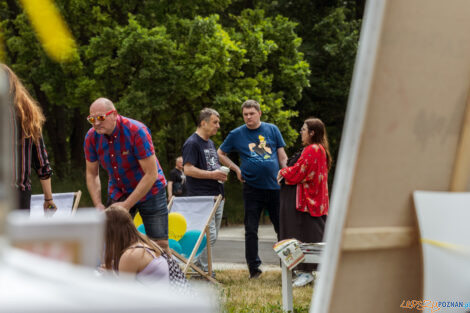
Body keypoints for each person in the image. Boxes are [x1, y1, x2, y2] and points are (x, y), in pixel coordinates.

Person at [84, 98, 169, 251]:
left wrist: (127, 205)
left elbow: (151, 173)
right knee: (114, 241)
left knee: (159, 244)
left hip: (150, 189)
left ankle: (164, 273)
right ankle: (121, 273)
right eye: (92, 119)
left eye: (101, 117)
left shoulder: (136, 131)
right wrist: (97, 204)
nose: (96, 123)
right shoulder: (91, 137)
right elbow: (92, 174)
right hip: (119, 190)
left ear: (114, 114)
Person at [217, 99, 287, 278]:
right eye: (245, 114)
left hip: (275, 187)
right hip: (252, 188)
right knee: (251, 229)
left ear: (259, 113)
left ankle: (288, 266)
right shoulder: (236, 134)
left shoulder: (272, 129)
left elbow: (281, 155)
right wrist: (236, 169)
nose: (248, 117)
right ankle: (254, 268)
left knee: (282, 228)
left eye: (252, 114)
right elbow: (220, 153)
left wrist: (285, 173)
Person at [277, 117, 331, 287]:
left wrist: (283, 172)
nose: (301, 132)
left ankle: (304, 272)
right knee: (305, 234)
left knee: (299, 235)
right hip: (307, 199)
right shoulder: (319, 149)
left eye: (303, 129)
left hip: (305, 201)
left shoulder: (313, 149)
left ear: (312, 132)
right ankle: (303, 272)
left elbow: (300, 172)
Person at [2, 64, 56, 212]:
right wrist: (49, 200)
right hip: (21, 195)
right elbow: (41, 162)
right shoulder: (28, 114)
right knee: (17, 235)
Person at [182, 108, 227, 274]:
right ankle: (200, 268)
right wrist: (212, 174)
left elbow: (211, 166)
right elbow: (188, 169)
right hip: (202, 197)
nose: (218, 126)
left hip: (217, 196)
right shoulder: (192, 143)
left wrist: (219, 177)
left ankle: (201, 268)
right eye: (215, 122)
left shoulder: (210, 143)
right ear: (203, 122)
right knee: (208, 236)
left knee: (211, 237)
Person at [103, 205, 170, 285]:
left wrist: (110, 275)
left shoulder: (130, 255)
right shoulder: (144, 242)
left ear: (111, 232)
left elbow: (123, 293)